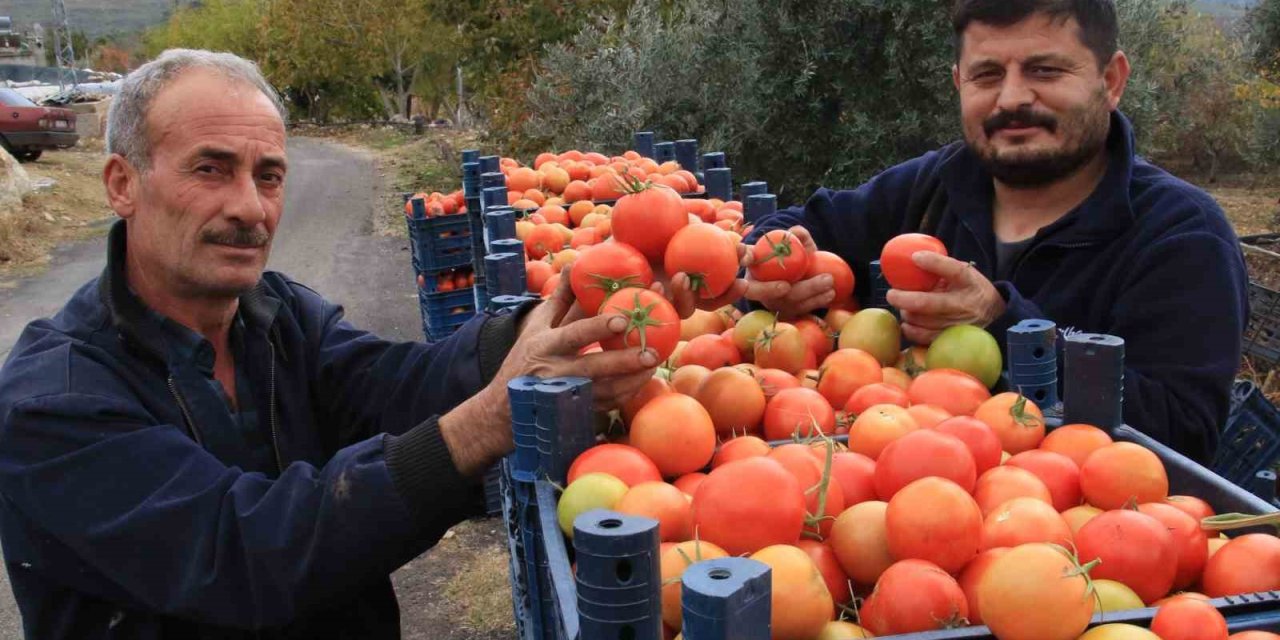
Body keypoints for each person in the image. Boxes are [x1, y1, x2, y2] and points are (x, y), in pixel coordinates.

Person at [0, 49, 663, 638]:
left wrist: (548, 327)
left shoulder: (277, 315)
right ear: (123, 184)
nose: (251, 208)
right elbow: (242, 554)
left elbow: (392, 384)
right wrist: (486, 420)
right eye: (210, 169)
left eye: (269, 175)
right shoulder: (52, 401)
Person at [745, 0, 1248, 464]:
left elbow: (1183, 436)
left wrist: (1003, 323)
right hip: (898, 495)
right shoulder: (935, 184)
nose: (1012, 98)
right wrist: (774, 277)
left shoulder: (1182, 236)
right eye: (987, 75)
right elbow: (796, 227)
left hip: (1066, 541)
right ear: (959, 83)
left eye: (1044, 70)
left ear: (1111, 80)